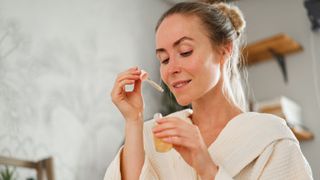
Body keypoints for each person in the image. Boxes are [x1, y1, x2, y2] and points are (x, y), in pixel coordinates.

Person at [105, 1, 313, 180]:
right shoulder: (155, 134)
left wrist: (208, 169)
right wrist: (134, 120)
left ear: (225, 50)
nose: (171, 69)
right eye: (164, 59)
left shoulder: (270, 138)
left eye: (185, 52)